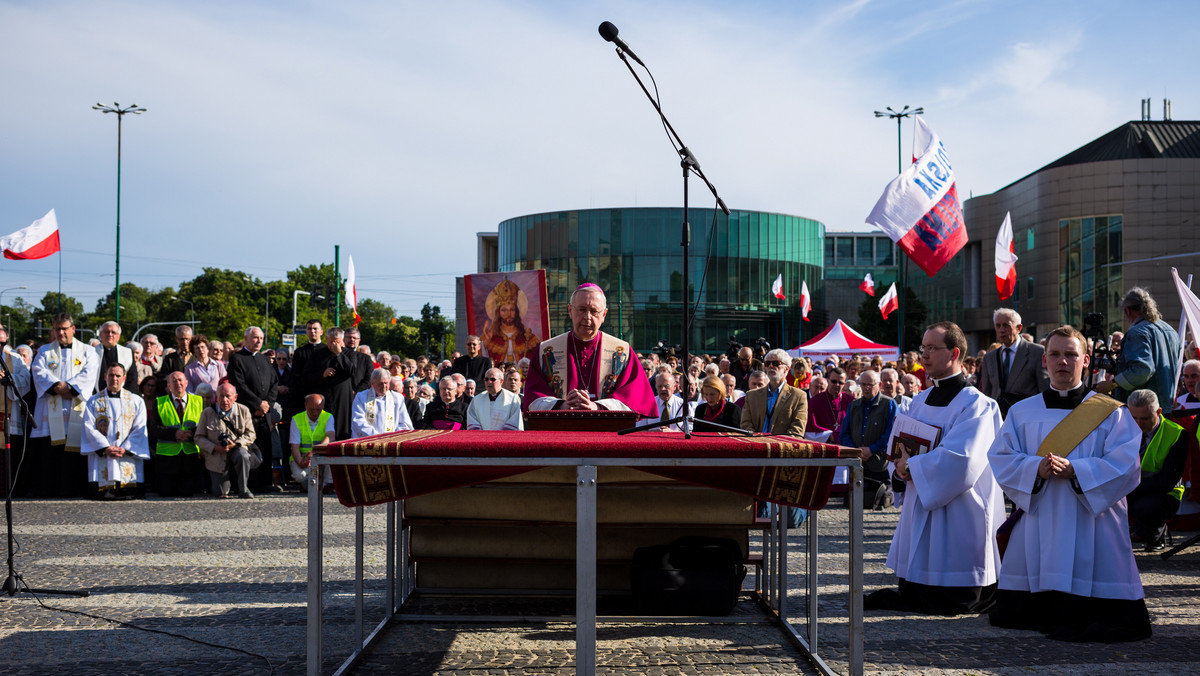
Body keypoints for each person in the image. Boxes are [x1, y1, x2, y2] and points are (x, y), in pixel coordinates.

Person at [988, 326, 1151, 641]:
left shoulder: (1111, 414)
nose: (1063, 361)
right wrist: (1037, 468)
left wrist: (1077, 470)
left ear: (1086, 360)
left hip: (1093, 520)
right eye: (1055, 354)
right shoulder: (1022, 412)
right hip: (1040, 515)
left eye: (1071, 354)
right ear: (1044, 361)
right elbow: (1002, 459)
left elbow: (1127, 465)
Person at [865, 321, 1004, 615]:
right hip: (920, 494)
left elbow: (964, 459)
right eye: (923, 348)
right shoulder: (920, 400)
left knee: (955, 590)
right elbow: (898, 445)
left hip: (961, 506)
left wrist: (912, 467)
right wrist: (899, 466)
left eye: (931, 348)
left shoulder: (977, 404)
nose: (923, 355)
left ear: (954, 353)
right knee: (915, 589)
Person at [523, 283, 657, 416]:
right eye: (581, 309)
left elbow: (634, 398)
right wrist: (561, 405)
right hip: (561, 430)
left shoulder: (622, 351)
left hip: (607, 433)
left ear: (604, 314)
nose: (587, 317)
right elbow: (533, 396)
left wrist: (598, 407)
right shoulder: (546, 350)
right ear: (570, 311)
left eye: (594, 311)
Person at [30, 313, 100, 497]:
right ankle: (50, 490)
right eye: (57, 329)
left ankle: (76, 489)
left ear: (73, 329)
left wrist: (69, 388)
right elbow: (38, 372)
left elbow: (89, 374)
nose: (61, 333)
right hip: (50, 411)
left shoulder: (87, 351)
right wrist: (58, 386)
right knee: (51, 453)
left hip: (77, 409)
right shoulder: (44, 351)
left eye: (64, 329)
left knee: (75, 452)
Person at [1124, 389, 1188, 552]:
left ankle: (1155, 535)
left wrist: (1129, 490)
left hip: (1164, 494)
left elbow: (1166, 482)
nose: (1138, 424)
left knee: (1147, 507)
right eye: (1134, 418)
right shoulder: (1122, 429)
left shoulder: (1176, 434)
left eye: (1145, 418)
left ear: (1159, 412)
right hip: (1131, 487)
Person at [1100, 287, 1182, 407]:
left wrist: (1112, 384)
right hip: (1166, 405)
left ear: (1128, 311)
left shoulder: (1137, 332)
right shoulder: (1170, 330)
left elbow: (1143, 369)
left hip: (1142, 409)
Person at [80, 363, 150, 499]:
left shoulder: (136, 401)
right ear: (105, 377)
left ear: (124, 378)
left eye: (118, 376)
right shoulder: (93, 401)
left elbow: (140, 427)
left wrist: (125, 449)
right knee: (99, 492)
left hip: (126, 454)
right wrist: (105, 447)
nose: (114, 379)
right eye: (111, 375)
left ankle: (127, 491)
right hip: (103, 453)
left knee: (129, 490)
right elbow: (88, 427)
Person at [226, 326, 280, 492]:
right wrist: (257, 404)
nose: (259, 341)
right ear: (246, 338)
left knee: (265, 447)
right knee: (247, 448)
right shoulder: (237, 359)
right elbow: (238, 385)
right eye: (255, 338)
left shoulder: (265, 360)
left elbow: (274, 383)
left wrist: (267, 405)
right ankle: (246, 484)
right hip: (246, 412)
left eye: (261, 338)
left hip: (264, 413)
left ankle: (265, 483)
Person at [839, 369, 897, 503]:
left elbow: (891, 435)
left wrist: (871, 450)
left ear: (879, 385)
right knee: (853, 501)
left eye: (870, 385)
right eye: (863, 384)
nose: (866, 388)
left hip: (878, 465)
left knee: (879, 499)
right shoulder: (854, 406)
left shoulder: (889, 404)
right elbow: (844, 434)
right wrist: (855, 451)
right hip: (857, 465)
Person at [976, 309, 1049, 416]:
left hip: (1027, 418)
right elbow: (987, 394)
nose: (1001, 330)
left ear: (1019, 328)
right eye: (998, 325)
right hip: (998, 420)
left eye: (1006, 325)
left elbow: (1044, 390)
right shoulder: (989, 358)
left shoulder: (1037, 352)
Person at [196, 382, 260, 498]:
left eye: (228, 396)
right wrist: (215, 447)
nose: (224, 400)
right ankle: (226, 485)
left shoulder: (244, 410)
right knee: (220, 493)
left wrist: (236, 444)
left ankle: (243, 489)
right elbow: (198, 438)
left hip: (237, 450)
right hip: (217, 456)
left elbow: (251, 434)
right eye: (221, 396)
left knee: (243, 455)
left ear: (235, 397)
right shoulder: (207, 413)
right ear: (216, 397)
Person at [147, 370, 204, 497]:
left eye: (180, 380)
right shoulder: (159, 402)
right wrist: (175, 434)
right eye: (174, 381)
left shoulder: (199, 401)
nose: (178, 383)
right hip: (167, 460)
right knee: (165, 493)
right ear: (169, 386)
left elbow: (204, 426)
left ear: (186, 383)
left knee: (188, 493)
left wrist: (190, 434)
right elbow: (154, 428)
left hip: (190, 457)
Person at [480, 278, 542, 365]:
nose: (508, 314)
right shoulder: (489, 338)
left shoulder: (529, 338)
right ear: (498, 313)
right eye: (504, 310)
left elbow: (539, 361)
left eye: (512, 309)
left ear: (516, 311)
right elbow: (479, 361)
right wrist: (485, 343)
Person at [351, 368, 414, 437]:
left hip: (391, 441)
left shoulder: (398, 398)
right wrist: (376, 436)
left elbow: (405, 423)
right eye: (380, 384)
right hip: (367, 440)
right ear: (372, 383)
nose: (384, 386)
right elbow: (358, 421)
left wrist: (392, 436)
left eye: (386, 383)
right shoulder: (361, 397)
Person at [289, 393, 334, 488]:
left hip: (320, 457)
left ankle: (324, 484)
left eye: (318, 409)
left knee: (332, 460)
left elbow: (330, 437)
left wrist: (314, 451)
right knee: (300, 476)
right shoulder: (296, 419)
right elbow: (295, 446)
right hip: (302, 457)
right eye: (311, 410)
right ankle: (313, 483)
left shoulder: (328, 417)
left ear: (323, 406)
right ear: (306, 406)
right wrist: (300, 462)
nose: (315, 413)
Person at [807, 367, 852, 442]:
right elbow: (810, 429)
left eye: (840, 382)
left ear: (844, 384)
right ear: (828, 380)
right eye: (834, 381)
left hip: (846, 445)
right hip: (823, 446)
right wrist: (830, 435)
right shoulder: (814, 402)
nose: (837, 385)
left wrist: (837, 435)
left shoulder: (851, 401)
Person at [93, 321, 135, 393]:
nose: (110, 334)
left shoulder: (127, 353)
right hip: (94, 396)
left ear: (119, 336)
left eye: (113, 332)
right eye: (106, 332)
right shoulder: (91, 351)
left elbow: (132, 379)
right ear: (100, 334)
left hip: (120, 397)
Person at [157, 325, 193, 392]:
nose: (185, 342)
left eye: (187, 339)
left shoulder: (196, 357)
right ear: (176, 339)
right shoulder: (170, 358)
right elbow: (163, 378)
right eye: (181, 339)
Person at [344, 328, 374, 394]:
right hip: (341, 394)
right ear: (344, 339)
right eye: (349, 337)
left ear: (359, 340)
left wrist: (356, 391)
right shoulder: (338, 356)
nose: (352, 339)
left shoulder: (366, 359)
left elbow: (369, 379)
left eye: (354, 338)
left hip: (360, 395)